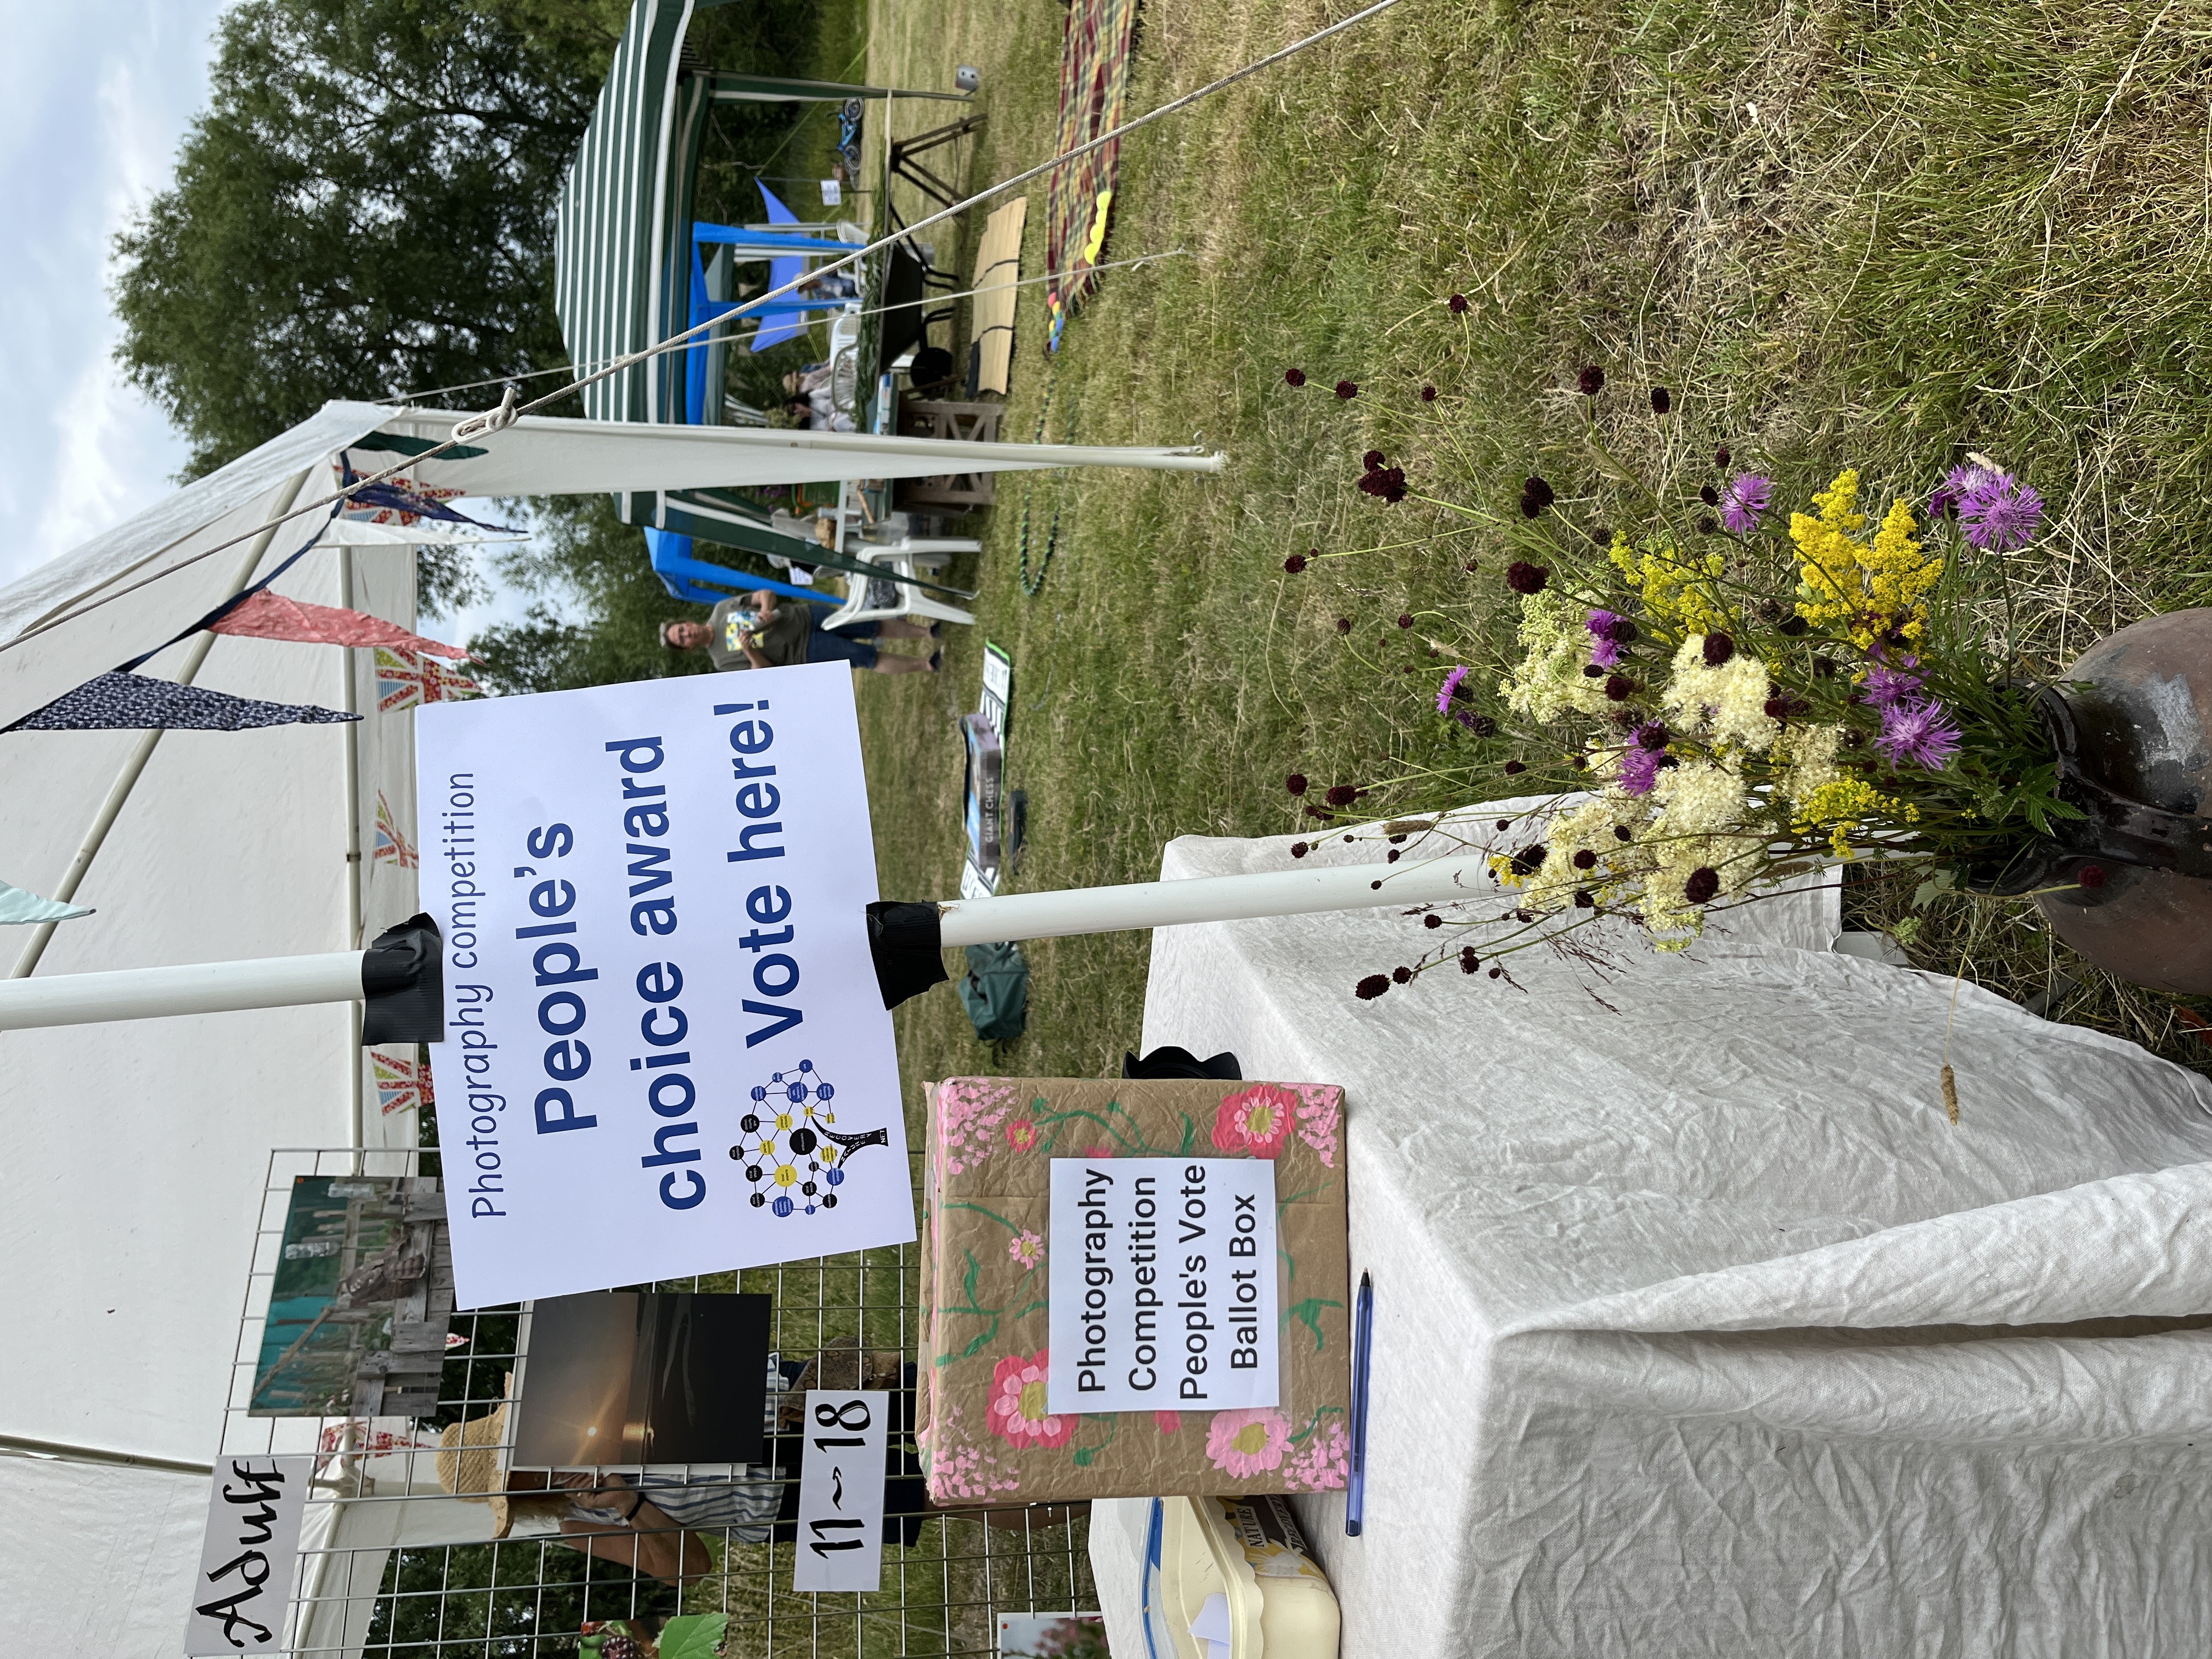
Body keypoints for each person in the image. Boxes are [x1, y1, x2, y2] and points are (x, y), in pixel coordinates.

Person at [662, 589, 939, 675]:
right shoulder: (721, 662)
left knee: (870, 624)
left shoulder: (722, 609)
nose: (687, 634)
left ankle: (927, 632)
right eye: (682, 639)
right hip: (804, 651)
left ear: (687, 622)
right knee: (865, 657)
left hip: (805, 616)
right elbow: (766, 673)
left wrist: (766, 609)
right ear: (688, 648)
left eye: (682, 629)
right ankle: (928, 664)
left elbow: (765, 594)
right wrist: (749, 650)